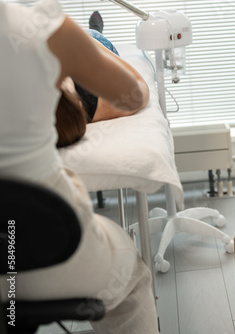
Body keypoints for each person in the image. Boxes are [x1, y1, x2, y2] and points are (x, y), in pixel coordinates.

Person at [0, 0, 158, 333]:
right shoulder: (45, 25)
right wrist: (80, 51)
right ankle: (97, 35)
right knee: (131, 283)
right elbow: (137, 95)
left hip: (10, 266)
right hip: (51, 253)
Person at [55, 11, 147, 147]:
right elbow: (139, 87)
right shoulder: (98, 103)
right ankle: (96, 29)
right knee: (92, 35)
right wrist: (89, 45)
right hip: (90, 56)